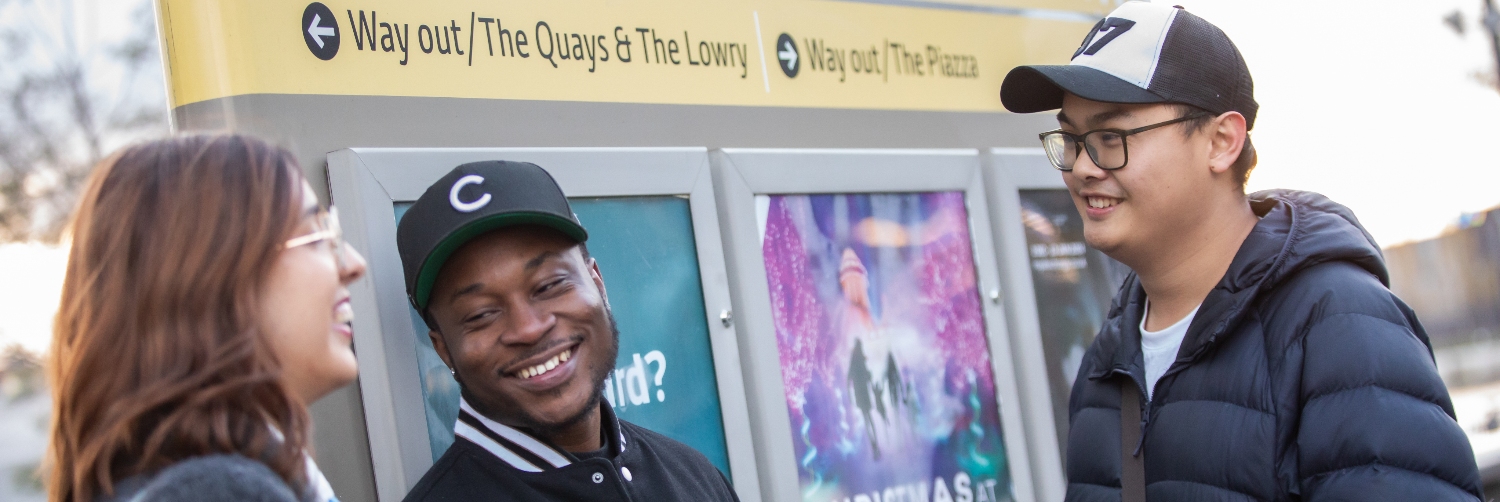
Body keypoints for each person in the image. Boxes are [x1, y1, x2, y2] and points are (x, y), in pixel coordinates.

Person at [998, 2, 1483, 500]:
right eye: (1073, 139)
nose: (1081, 168)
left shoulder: (1339, 326)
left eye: (1110, 136)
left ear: (1222, 141)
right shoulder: (1107, 358)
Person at [46, 134, 368, 502]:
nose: (353, 264)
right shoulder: (220, 491)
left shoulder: (165, 478)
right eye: (315, 236)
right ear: (208, 277)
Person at [395, 161, 738, 501]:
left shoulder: (693, 476)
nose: (529, 328)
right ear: (443, 349)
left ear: (598, 284)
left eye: (550, 285)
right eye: (482, 313)